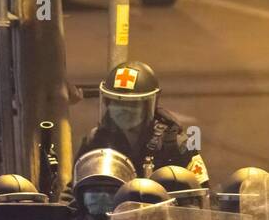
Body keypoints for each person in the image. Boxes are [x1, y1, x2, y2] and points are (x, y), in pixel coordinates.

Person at [78, 61, 209, 182]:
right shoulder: (95, 141)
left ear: (148, 105)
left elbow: (201, 195)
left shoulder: (176, 145)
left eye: (133, 105)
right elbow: (74, 192)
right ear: (107, 103)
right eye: (117, 103)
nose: (124, 111)